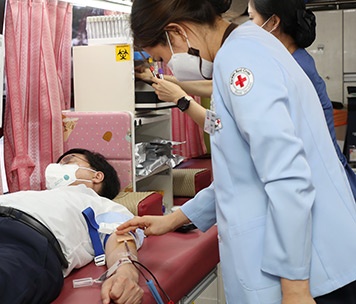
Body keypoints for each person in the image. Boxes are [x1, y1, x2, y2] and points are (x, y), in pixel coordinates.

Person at [117, 0, 356, 303]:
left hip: (312, 276)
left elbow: (287, 176)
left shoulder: (242, 63)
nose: (169, 66)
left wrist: (295, 286)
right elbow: (241, 172)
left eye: (162, 57)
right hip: (312, 265)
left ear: (176, 33)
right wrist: (174, 219)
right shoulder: (242, 51)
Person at [0, 148, 144, 304]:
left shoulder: (99, 204)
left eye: (69, 163)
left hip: (17, 246)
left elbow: (120, 237)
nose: (57, 167)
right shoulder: (30, 194)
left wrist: (125, 273)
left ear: (97, 176)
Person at [248, 0, 356, 200]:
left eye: (251, 18)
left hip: (321, 181)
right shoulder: (291, 60)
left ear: (273, 23)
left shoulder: (296, 68)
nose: (248, 28)